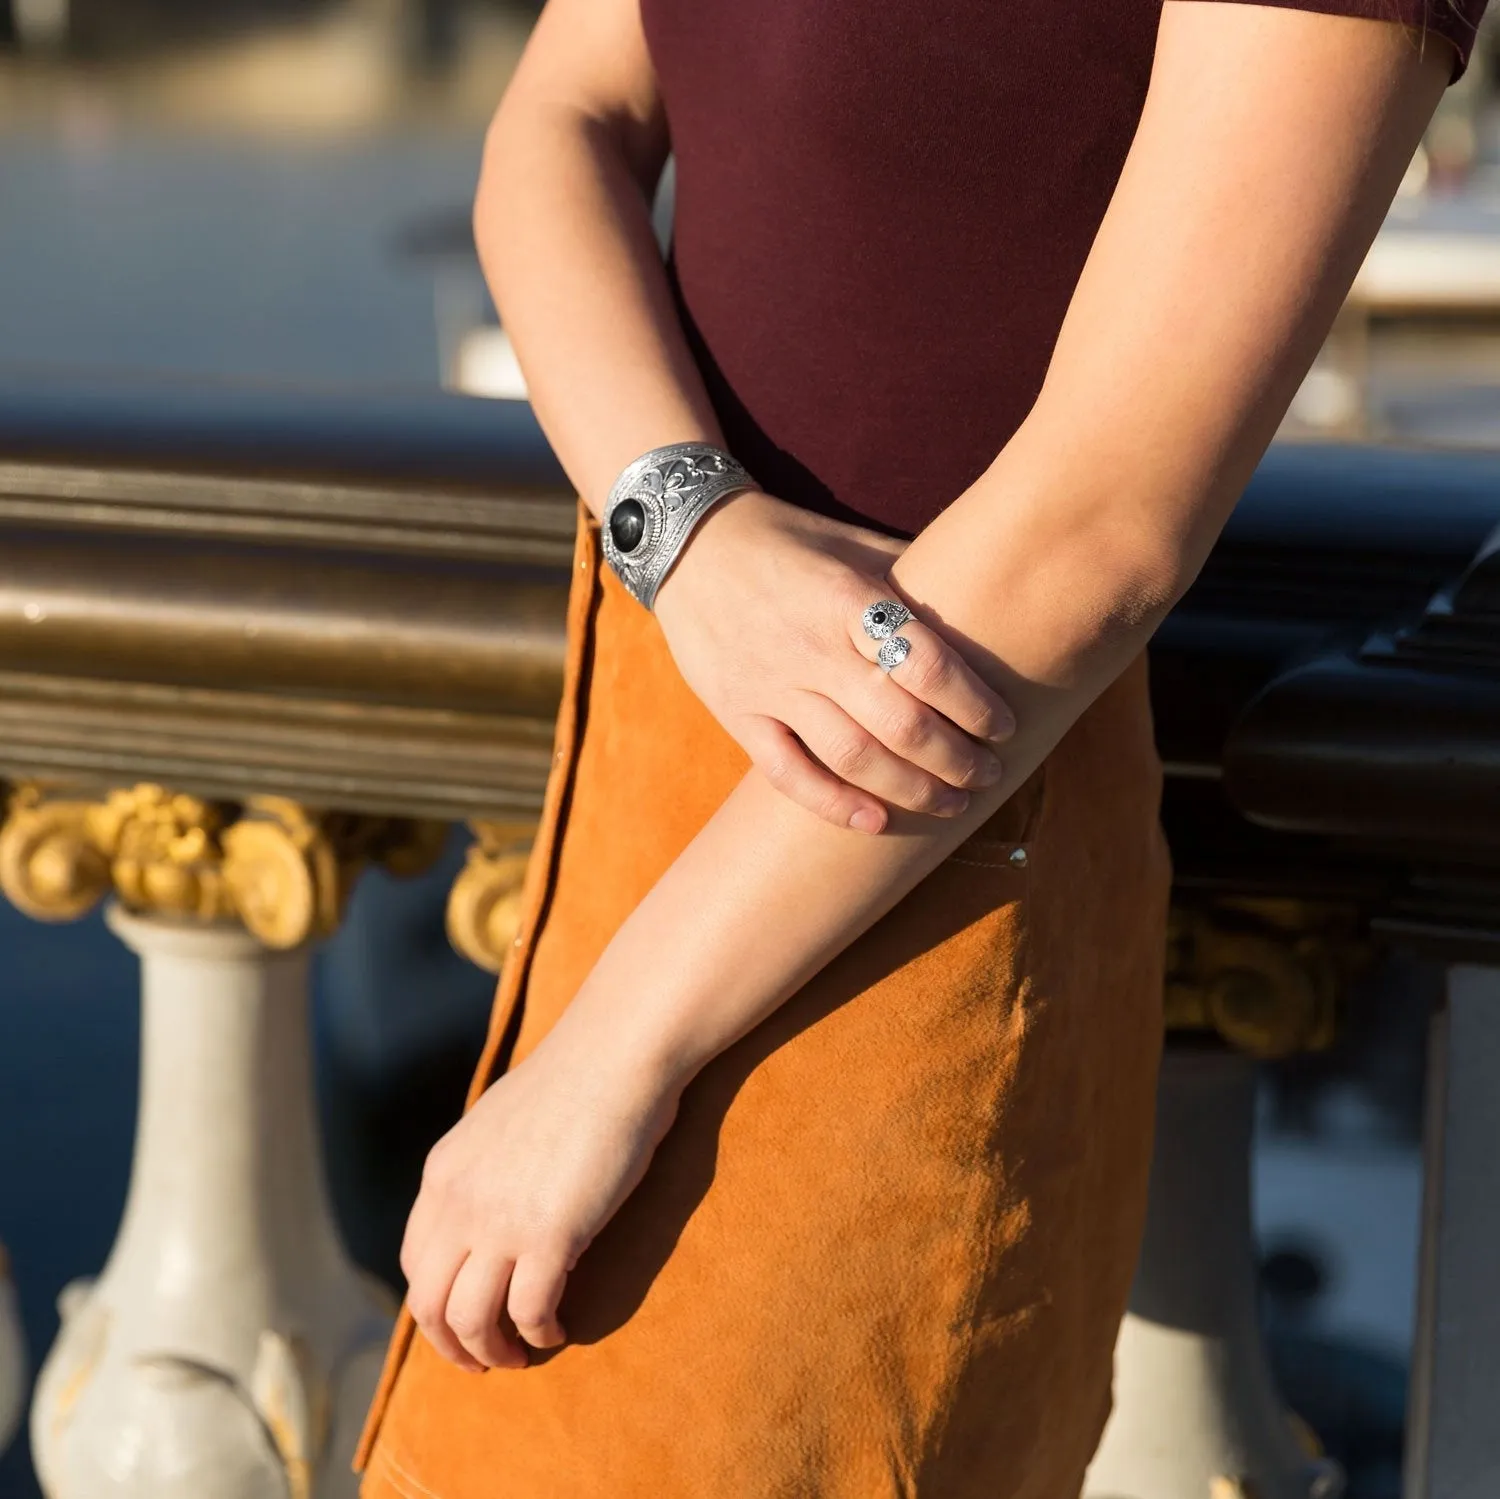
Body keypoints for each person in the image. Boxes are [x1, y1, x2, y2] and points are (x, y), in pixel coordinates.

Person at [357, 1, 1483, 1494]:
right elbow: (556, 124)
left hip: (905, 864)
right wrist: (686, 533)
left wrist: (607, 1056)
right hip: (638, 785)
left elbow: (1103, 531)